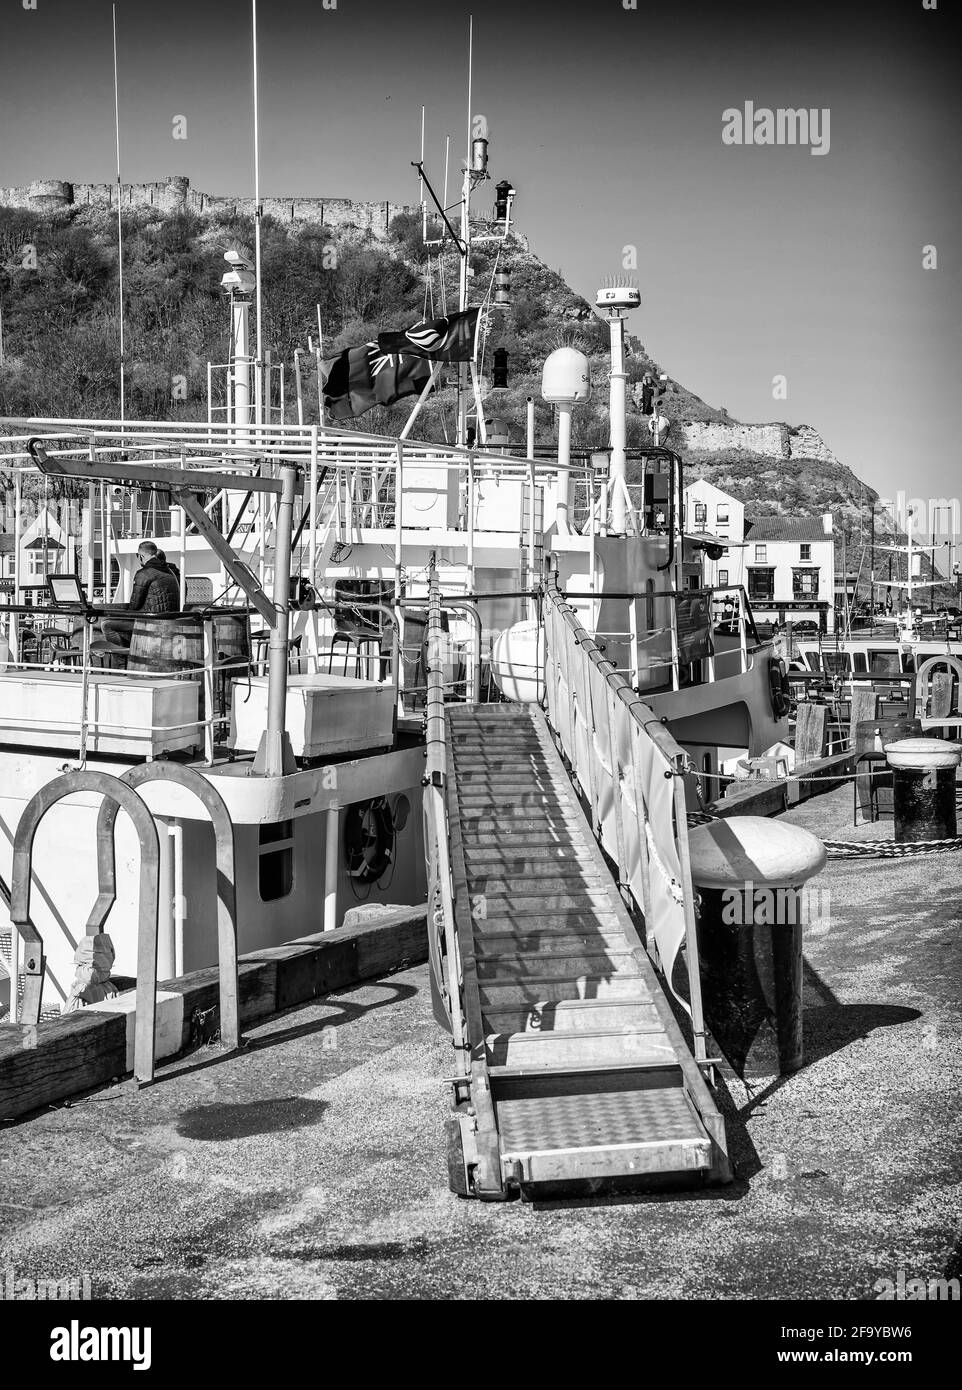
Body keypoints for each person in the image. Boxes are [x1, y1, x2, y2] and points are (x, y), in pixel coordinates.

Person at [102, 540, 180, 650]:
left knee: (107, 624)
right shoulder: (171, 572)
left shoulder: (143, 574)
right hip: (170, 621)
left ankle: (123, 659)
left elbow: (134, 605)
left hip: (151, 622)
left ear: (141, 556)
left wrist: (121, 614)